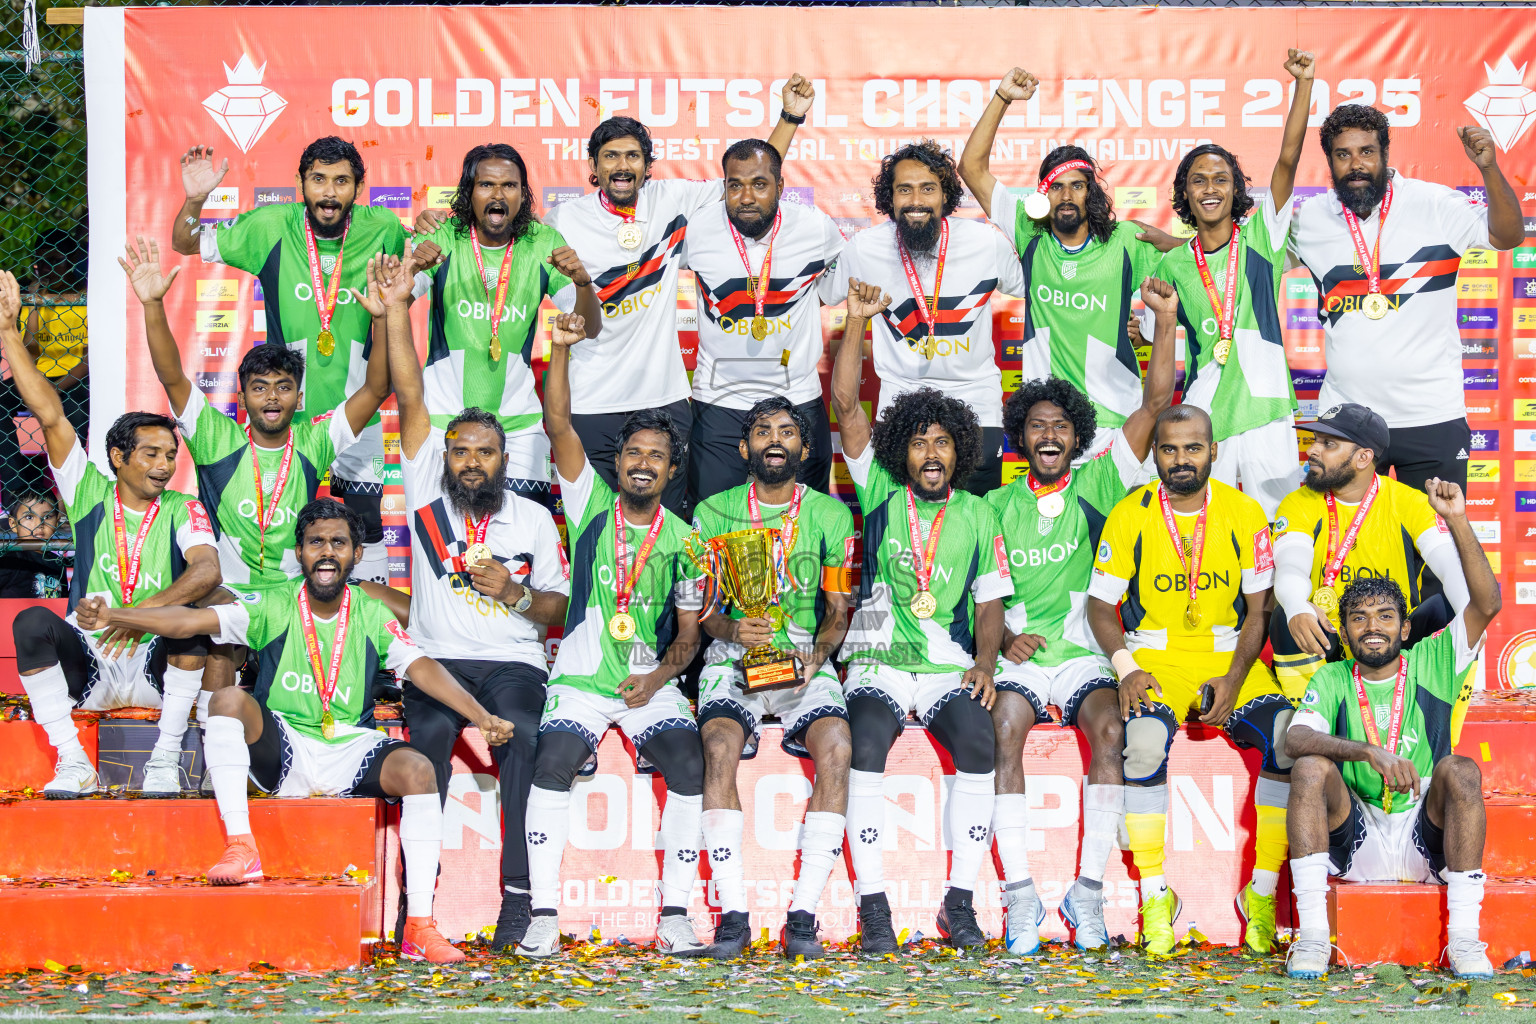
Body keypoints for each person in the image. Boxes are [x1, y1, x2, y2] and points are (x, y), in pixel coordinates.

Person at [73, 498, 515, 964]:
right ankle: (243, 846)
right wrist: (116, 615)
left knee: (420, 770)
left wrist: (481, 716)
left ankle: (420, 927)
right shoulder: (274, 602)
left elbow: (422, 667)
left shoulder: (369, 611)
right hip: (284, 746)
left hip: (348, 745)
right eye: (315, 542)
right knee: (227, 701)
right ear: (300, 552)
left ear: (356, 554)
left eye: (338, 543)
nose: (327, 552)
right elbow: (189, 620)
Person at [984, 276, 1177, 954]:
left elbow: (1157, 401)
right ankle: (1019, 898)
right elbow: (980, 597)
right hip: (1024, 660)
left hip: (1087, 655)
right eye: (1036, 426)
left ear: (1077, 437)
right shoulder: (995, 507)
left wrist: (1165, 320)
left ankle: (1086, 892)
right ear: (1020, 438)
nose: (1049, 435)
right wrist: (1005, 636)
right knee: (1004, 728)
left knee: (1110, 733)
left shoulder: (1101, 480)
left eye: (1061, 425)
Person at [383, 257, 572, 951]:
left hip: (514, 665)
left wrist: (517, 593)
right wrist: (400, 309)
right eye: (459, 450)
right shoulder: (428, 494)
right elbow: (408, 396)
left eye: (484, 452)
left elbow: (555, 611)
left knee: (522, 738)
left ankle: (520, 902)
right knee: (423, 753)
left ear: (503, 457)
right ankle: (417, 910)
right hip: (439, 664)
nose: (470, 462)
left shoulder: (530, 518)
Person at [516, 312, 709, 958]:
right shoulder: (590, 506)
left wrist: (656, 679)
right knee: (553, 761)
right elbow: (559, 426)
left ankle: (676, 913)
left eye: (656, 455)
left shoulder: (686, 543)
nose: (644, 463)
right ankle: (545, 915)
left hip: (649, 684)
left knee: (689, 764)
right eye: (633, 453)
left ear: (671, 470)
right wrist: (562, 351)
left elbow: (687, 638)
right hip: (579, 681)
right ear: (619, 463)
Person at [831, 278, 1012, 951]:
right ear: (899, 451)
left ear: (958, 450)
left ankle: (958, 902)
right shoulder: (877, 488)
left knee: (979, 745)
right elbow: (846, 403)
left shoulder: (978, 511)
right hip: (879, 660)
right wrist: (856, 320)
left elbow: (990, 601)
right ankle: (874, 905)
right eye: (918, 443)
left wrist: (985, 664)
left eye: (942, 444)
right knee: (868, 745)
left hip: (943, 666)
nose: (930, 454)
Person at [0, 270, 221, 797]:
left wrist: (137, 618)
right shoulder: (88, 492)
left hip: (153, 661)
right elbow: (50, 415)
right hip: (92, 663)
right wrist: (9, 333)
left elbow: (207, 569)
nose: (165, 466)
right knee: (32, 623)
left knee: (191, 621)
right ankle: (74, 762)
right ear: (119, 457)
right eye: (151, 454)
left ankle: (165, 762)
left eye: (171, 455)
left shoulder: (183, 507)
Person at [544, 78, 812, 512]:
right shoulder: (561, 222)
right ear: (593, 164)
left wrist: (790, 117)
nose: (622, 165)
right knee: (593, 527)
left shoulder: (672, 200)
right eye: (611, 155)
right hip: (592, 401)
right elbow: (587, 326)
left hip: (664, 399)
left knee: (666, 531)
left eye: (633, 155)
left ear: (649, 166)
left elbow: (753, 170)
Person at [1086, 406, 1294, 956]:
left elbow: (1259, 611)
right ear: (1155, 453)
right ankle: (1156, 895)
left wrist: (1234, 677)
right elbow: (1100, 607)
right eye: (1170, 449)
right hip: (1155, 658)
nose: (1181, 460)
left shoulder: (1246, 513)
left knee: (1286, 740)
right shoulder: (1130, 512)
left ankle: (1263, 892)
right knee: (1144, 745)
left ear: (1213, 451)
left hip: (1228, 658)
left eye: (1193, 448)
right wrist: (1127, 668)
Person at [171, 137, 421, 582]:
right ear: (300, 183)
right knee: (282, 526)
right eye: (318, 180)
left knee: (366, 527)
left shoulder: (383, 226)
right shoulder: (270, 225)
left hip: (355, 409)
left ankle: (368, 626)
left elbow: (422, 266)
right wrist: (195, 199)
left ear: (358, 188)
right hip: (287, 413)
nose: (329, 193)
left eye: (341, 181)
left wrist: (430, 231)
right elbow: (186, 242)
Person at [1284, 479, 1501, 981]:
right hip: (1355, 832)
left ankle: (1465, 938)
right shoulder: (1333, 676)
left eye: (1385, 616)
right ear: (1344, 631)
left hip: (1426, 833)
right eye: (1357, 618)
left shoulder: (1436, 657)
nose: (1372, 626)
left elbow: (1486, 604)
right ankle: (1314, 937)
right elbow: (1293, 741)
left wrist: (1458, 520)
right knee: (1311, 766)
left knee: (1461, 769)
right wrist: (1366, 752)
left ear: (1405, 629)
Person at [691, 396, 855, 958]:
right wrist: (733, 634)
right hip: (733, 661)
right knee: (717, 744)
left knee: (836, 745)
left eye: (788, 432)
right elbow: (700, 609)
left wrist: (819, 652)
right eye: (763, 432)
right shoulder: (713, 514)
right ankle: (734, 916)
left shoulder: (831, 515)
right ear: (745, 448)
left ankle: (803, 915)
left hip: (803, 662)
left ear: (805, 450)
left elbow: (838, 607)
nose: (775, 441)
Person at [1288, 106, 1523, 491]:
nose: (1356, 165)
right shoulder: (1311, 217)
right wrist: (1181, 247)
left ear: (1385, 154)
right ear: (1329, 160)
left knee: (1437, 545)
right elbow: (1246, 260)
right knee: (1348, 547)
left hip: (1432, 414)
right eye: (1343, 154)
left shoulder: (1435, 204)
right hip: (1348, 420)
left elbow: (1508, 236)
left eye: (1366, 151)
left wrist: (1490, 170)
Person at [1137, 50, 1316, 518]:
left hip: (1265, 402)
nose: (1210, 188)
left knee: (1275, 523)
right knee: (1204, 522)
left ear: (1236, 189)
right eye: (1199, 181)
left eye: (1221, 179)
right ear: (1185, 194)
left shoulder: (1261, 237)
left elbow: (1288, 159)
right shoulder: (1176, 263)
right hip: (1205, 405)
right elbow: (1162, 333)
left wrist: (1304, 83)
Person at [960, 73, 1168, 453]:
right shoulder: (1030, 231)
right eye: (1056, 186)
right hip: (1051, 422)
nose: (1067, 195)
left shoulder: (1124, 240)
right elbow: (972, 168)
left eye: (1077, 185)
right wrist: (1002, 98)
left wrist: (1170, 244)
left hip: (1115, 417)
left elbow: (1196, 262)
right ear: (1043, 197)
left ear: (1092, 192)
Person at [826, 141, 1025, 495]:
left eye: (928, 188)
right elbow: (822, 294)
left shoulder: (986, 243)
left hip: (976, 406)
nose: (916, 200)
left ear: (945, 195)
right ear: (890, 197)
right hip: (901, 409)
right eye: (905, 189)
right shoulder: (864, 248)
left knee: (975, 524)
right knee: (906, 528)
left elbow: (1042, 289)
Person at [409, 143, 601, 495]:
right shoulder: (443, 235)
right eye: (486, 185)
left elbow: (588, 327)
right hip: (442, 420)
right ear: (469, 192)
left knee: (520, 541)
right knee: (442, 540)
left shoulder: (542, 242)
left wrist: (584, 283)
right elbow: (397, 298)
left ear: (522, 194)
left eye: (509, 185)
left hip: (519, 423)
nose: (498, 194)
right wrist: (410, 267)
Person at [1271, 404, 1471, 701]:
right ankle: (1312, 717)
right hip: (1332, 638)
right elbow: (1291, 566)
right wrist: (1295, 605)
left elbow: (1451, 567)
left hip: (1397, 639)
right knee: (1285, 615)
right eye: (1314, 440)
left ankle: (1439, 736)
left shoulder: (1409, 502)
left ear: (1364, 457)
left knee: (1460, 613)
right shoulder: (1298, 502)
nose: (1313, 450)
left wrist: (1473, 628)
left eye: (1328, 444)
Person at [683, 140, 846, 501]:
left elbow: (837, 283)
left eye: (759, 184)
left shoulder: (815, 228)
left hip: (796, 396)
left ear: (780, 187)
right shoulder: (697, 228)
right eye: (734, 185)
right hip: (719, 399)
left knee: (802, 519)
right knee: (712, 518)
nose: (745, 197)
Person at [0, 227, 90, 509]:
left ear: (70, 261)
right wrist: (38, 302)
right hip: (36, 376)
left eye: (54, 260)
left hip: (75, 379)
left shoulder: (86, 296)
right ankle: (18, 491)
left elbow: (89, 360)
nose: (46, 268)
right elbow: (28, 352)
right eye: (40, 262)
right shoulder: (31, 296)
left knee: (76, 411)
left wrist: (55, 388)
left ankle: (68, 499)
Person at [0, 490, 67, 599]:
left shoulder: (57, 563)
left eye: (47, 517)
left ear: (57, 521)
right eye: (29, 517)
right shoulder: (9, 560)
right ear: (13, 523)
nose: (39, 524)